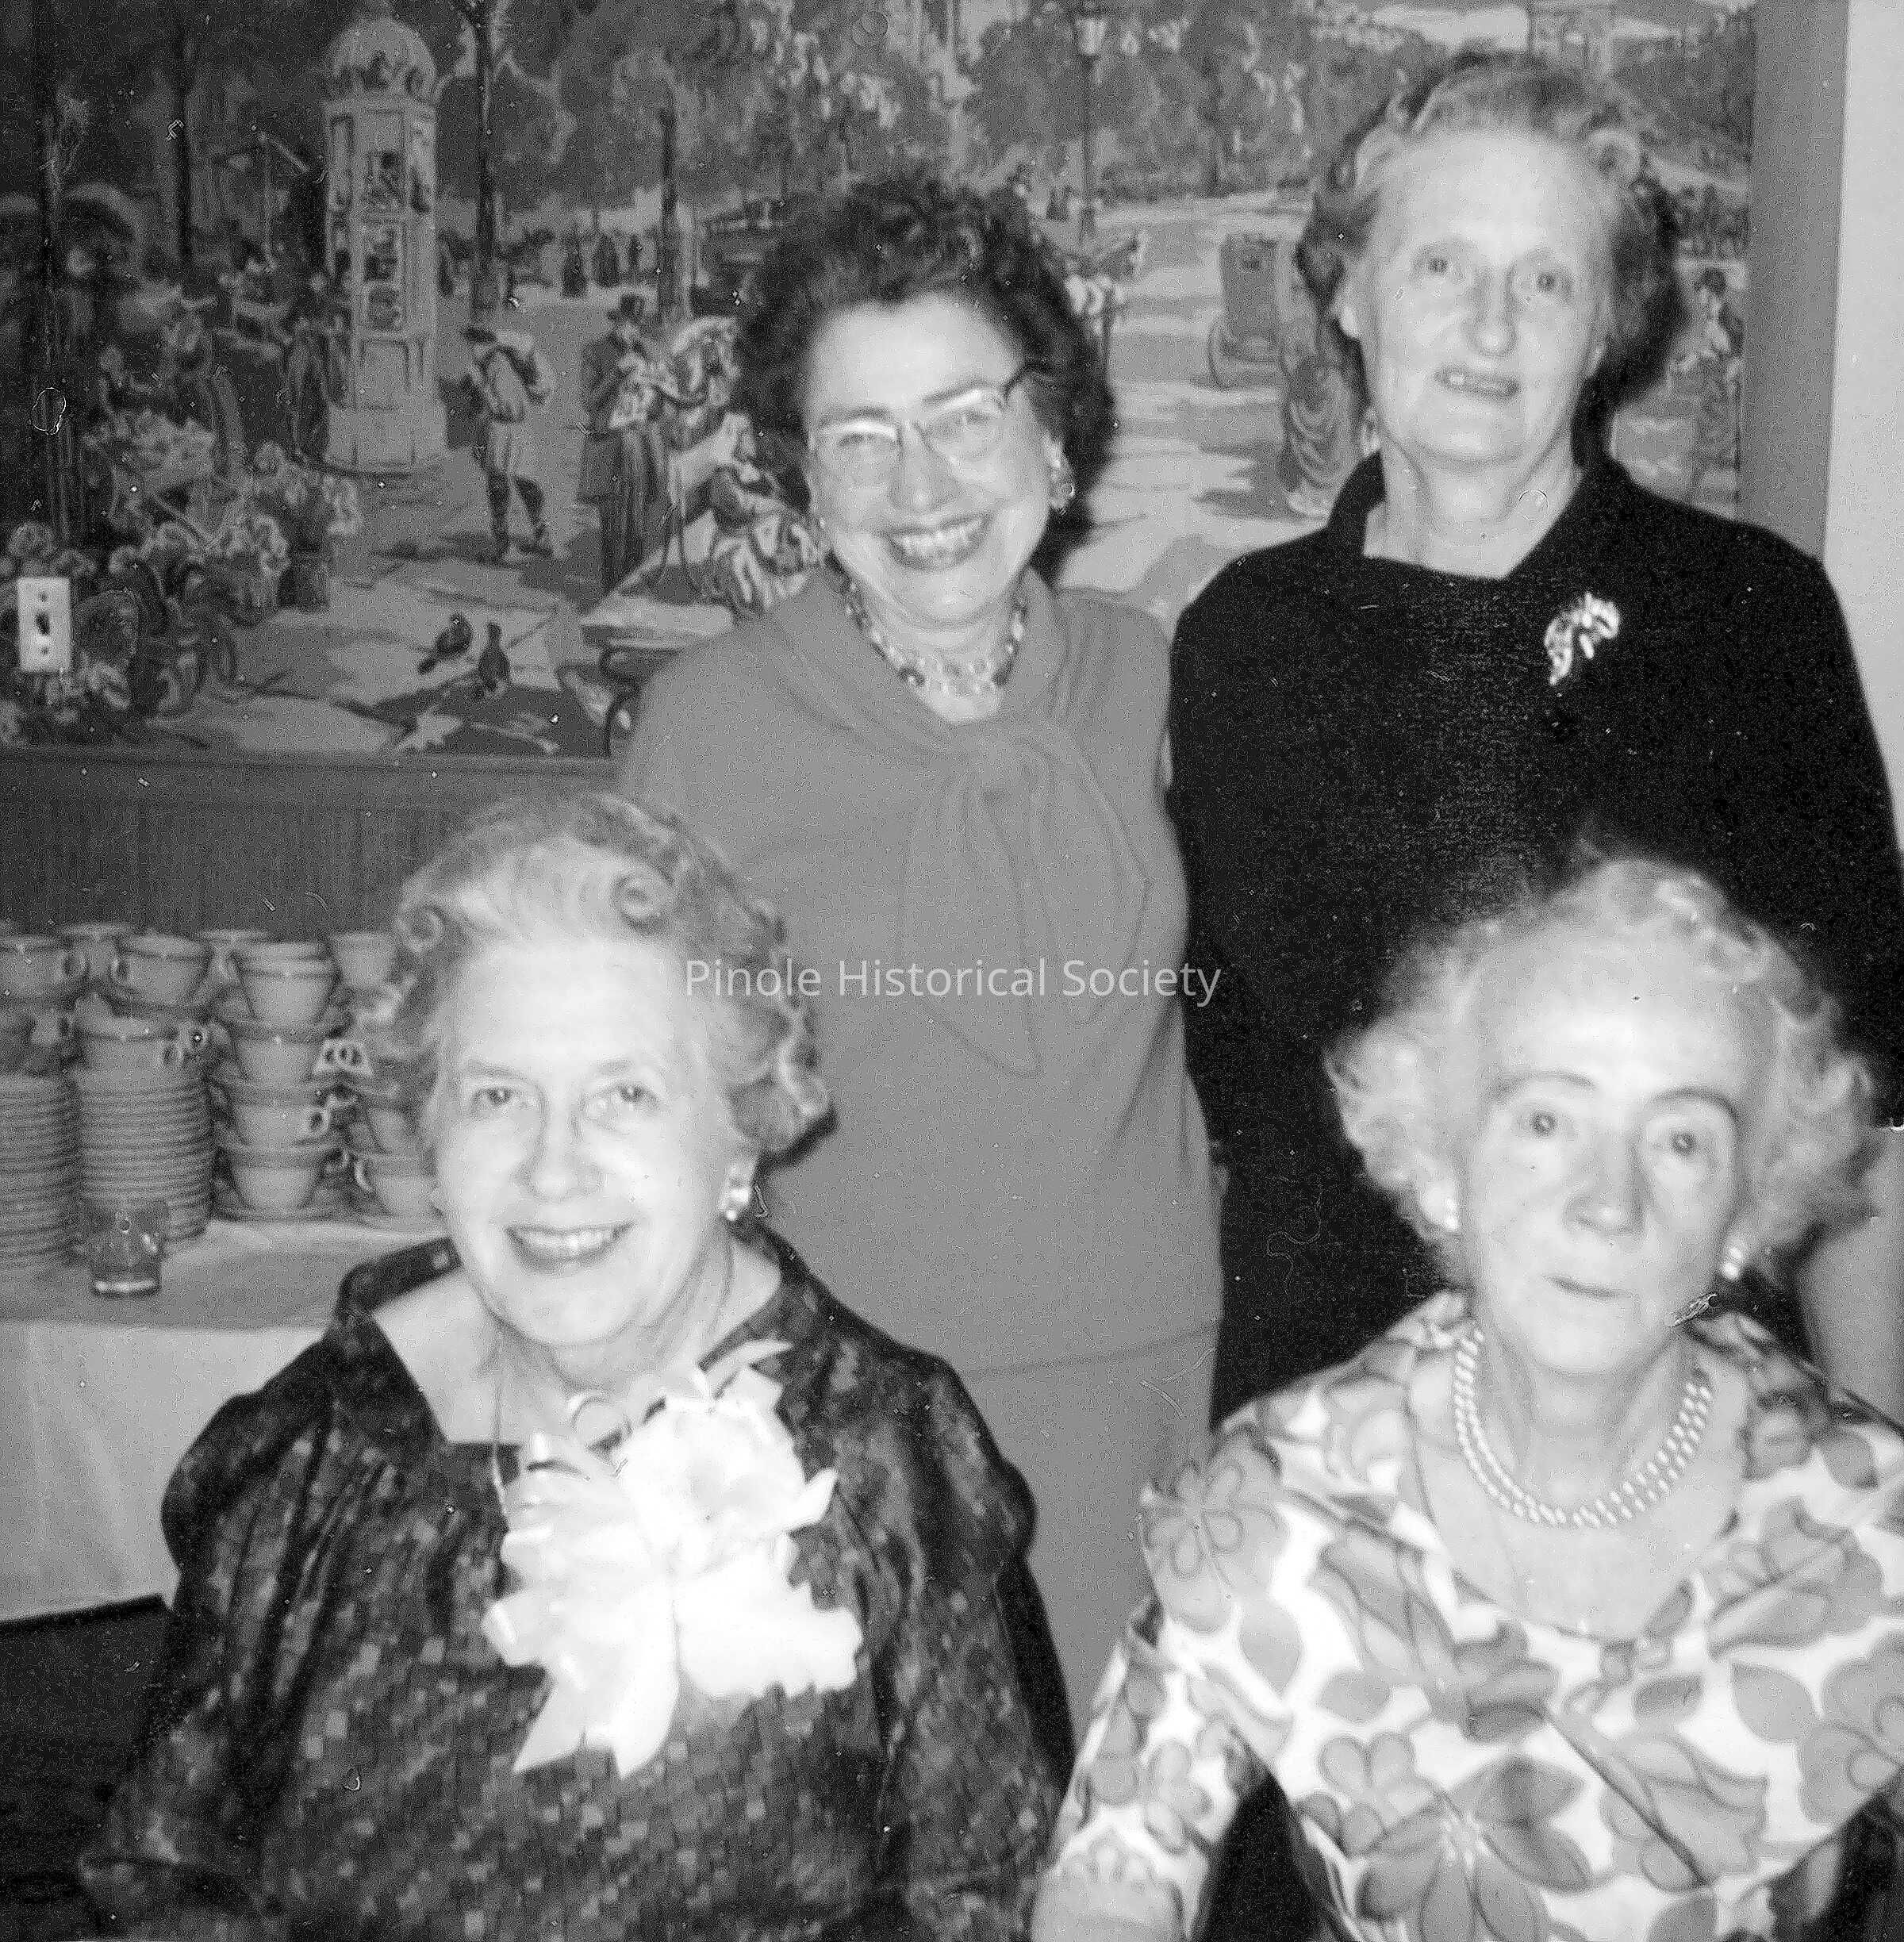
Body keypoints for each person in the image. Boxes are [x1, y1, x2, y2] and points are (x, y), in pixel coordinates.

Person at [79, 791, 1063, 1938]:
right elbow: (161, 1874)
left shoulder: (884, 1464)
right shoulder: (318, 1452)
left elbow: (982, 1905)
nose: (554, 1169)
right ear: (432, 1135)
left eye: (624, 1096)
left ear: (739, 1138)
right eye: (497, 1096)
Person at [1170, 52, 1904, 1430]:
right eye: (1441, 265)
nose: (1490, 325)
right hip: (1333, 1428)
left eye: (1547, 281)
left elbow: (1866, 1104)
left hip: (1677, 1418)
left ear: (1607, 325)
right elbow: (1232, 1102)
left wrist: (1876, 1480)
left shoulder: (1747, 617)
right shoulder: (1241, 641)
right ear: (1350, 291)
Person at [1037, 855, 1904, 1942]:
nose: (1608, 1203)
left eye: (1681, 1140)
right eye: (1546, 1122)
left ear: (1746, 1216)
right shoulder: (1282, 1500)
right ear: (1442, 1167)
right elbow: (1110, 1882)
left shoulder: (1866, 1522)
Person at [619, 170, 1223, 1728]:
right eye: (860, 436)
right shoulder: (707, 723)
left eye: (964, 416)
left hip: (1147, 1374)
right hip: (850, 1402)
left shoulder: (1154, 678)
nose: (921, 483)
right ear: (803, 478)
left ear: (1053, 435)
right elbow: (649, 1101)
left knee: (1126, 1816)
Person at [578, 291, 671, 593]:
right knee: (612, 522)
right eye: (628, 325)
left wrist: (657, 390)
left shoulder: (646, 353)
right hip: (610, 445)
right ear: (617, 323)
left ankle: (631, 585)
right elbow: (589, 402)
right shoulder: (596, 352)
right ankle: (610, 586)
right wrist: (617, 374)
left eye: (638, 326)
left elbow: (658, 410)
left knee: (638, 521)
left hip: (639, 445)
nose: (633, 332)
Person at [463, 320, 554, 565]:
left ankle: (502, 545)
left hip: (506, 431)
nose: (472, 350)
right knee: (522, 483)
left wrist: (481, 388)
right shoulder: (497, 362)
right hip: (513, 431)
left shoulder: (497, 364)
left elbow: (507, 408)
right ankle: (540, 537)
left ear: (484, 344)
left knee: (500, 486)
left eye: (474, 344)